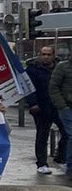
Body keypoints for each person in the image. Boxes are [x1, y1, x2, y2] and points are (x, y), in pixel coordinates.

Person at [25, 44, 65, 174]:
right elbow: (28, 88)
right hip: (41, 107)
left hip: (59, 106)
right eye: (43, 54)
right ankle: (41, 163)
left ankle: (61, 158)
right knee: (42, 135)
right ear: (39, 55)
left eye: (49, 55)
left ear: (54, 56)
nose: (46, 57)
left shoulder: (60, 68)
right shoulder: (32, 69)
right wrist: (33, 104)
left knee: (67, 132)